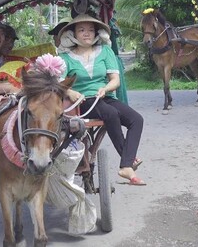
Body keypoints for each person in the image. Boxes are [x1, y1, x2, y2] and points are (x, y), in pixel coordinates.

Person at [57, 13, 146, 186]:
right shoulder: (65, 57)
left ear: (96, 33)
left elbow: (115, 80)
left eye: (90, 30)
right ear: (73, 34)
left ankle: (126, 164)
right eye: (81, 30)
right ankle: (128, 163)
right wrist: (70, 92)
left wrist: (105, 88)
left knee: (137, 119)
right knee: (110, 113)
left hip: (104, 96)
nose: (86, 33)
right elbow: (59, 82)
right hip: (83, 101)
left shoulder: (105, 51)